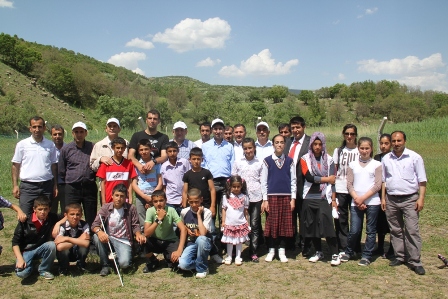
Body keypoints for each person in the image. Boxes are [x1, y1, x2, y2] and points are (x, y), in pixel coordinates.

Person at [382, 131, 427, 275]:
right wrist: (383, 198)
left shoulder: (415, 157)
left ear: (404, 141)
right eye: (393, 141)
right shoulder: (386, 158)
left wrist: (421, 198)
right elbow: (384, 180)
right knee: (395, 229)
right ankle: (400, 256)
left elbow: (422, 180)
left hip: (410, 199)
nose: (396, 144)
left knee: (412, 230)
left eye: (398, 141)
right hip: (391, 198)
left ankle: (415, 261)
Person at [340, 137, 382, 266]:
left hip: (372, 202)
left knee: (370, 230)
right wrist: (356, 199)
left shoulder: (377, 165)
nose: (364, 151)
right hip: (355, 201)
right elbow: (349, 184)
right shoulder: (352, 165)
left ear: (371, 149)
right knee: (355, 229)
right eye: (362, 148)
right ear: (358, 149)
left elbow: (377, 185)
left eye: (367, 148)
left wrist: (363, 198)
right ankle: (349, 251)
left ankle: (366, 255)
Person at [300, 132, 339, 266]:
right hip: (309, 196)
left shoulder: (330, 159)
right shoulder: (305, 159)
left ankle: (335, 253)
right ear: (311, 145)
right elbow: (308, 177)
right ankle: (318, 251)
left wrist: (333, 200)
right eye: (314, 144)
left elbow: (333, 181)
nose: (317, 147)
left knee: (327, 224)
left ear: (323, 145)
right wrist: (326, 179)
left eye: (320, 144)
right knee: (311, 226)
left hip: (324, 197)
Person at [91, 184, 146, 276]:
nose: (119, 198)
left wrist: (138, 234)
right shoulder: (106, 207)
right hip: (109, 238)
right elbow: (94, 225)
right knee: (96, 237)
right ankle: (105, 265)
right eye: (116, 195)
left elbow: (135, 225)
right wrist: (99, 232)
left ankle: (118, 258)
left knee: (124, 264)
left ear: (126, 198)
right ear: (112, 196)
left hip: (124, 240)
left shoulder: (131, 208)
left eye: (122, 196)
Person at [182, 147, 222, 264]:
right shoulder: (187, 175)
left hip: (206, 207)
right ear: (189, 159)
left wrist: (213, 206)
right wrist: (185, 205)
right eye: (194, 159)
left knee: (212, 231)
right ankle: (194, 250)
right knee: (194, 230)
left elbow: (212, 189)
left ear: (202, 159)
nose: (196, 161)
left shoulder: (206, 173)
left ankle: (214, 253)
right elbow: (185, 191)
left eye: (198, 159)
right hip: (192, 207)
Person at [11, 116, 58, 215]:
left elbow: (54, 166)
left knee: (46, 216)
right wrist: (15, 185)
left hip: (46, 186)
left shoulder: (50, 145)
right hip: (28, 187)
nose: (37, 129)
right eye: (34, 127)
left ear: (44, 128)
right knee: (25, 215)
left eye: (40, 127)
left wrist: (55, 185)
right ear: (30, 128)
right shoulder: (22, 144)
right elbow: (16, 165)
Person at [261, 134, 296, 263]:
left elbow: (293, 181)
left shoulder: (290, 161)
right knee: (272, 223)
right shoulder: (267, 161)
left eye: (281, 142)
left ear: (285, 144)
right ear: (273, 144)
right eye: (277, 142)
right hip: (272, 197)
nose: (279, 145)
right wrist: (265, 200)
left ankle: (282, 250)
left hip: (286, 196)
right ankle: (271, 249)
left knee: (284, 224)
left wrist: (293, 198)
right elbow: (264, 181)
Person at [59, 122, 97, 227]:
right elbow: (61, 170)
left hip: (89, 186)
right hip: (72, 187)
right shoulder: (66, 149)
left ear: (86, 133)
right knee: (72, 215)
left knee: (91, 215)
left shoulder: (93, 147)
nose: (79, 134)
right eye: (76, 132)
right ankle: (71, 237)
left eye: (81, 132)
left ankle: (90, 238)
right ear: (72, 133)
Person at [232, 137, 263, 263]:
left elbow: (263, 181)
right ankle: (235, 249)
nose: (248, 150)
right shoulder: (238, 162)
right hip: (241, 198)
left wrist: (265, 199)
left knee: (255, 225)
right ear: (242, 149)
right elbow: (233, 180)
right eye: (245, 148)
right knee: (238, 224)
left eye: (250, 147)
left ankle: (253, 251)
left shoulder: (260, 162)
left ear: (254, 148)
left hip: (256, 197)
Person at [12, 196, 58, 280]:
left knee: (51, 245)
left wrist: (58, 224)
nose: (43, 212)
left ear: (49, 209)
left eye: (45, 209)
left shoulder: (52, 218)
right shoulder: (25, 221)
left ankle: (44, 269)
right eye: (40, 209)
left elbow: (67, 215)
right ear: (34, 209)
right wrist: (20, 258)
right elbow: (15, 242)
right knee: (22, 274)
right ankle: (32, 264)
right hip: (26, 250)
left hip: (41, 248)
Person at [283, 116, 311, 251]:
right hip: (289, 186)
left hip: (304, 185)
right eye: (293, 128)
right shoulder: (287, 142)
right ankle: (291, 241)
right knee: (290, 216)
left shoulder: (310, 142)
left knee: (304, 215)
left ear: (304, 127)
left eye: (298, 127)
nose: (295, 130)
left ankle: (305, 243)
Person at [202, 118, 234, 233]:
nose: (218, 131)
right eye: (215, 129)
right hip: (212, 182)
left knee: (224, 212)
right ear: (212, 130)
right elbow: (203, 164)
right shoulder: (206, 146)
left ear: (224, 130)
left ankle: (224, 239)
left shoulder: (229, 146)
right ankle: (212, 239)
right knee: (211, 212)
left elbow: (232, 164)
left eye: (220, 128)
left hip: (226, 181)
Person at [143, 190, 187, 272]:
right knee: (142, 241)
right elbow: (146, 233)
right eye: (155, 201)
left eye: (161, 200)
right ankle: (153, 260)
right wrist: (159, 219)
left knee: (178, 264)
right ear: (152, 202)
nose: (159, 204)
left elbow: (183, 229)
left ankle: (168, 258)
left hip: (170, 240)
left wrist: (179, 250)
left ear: (166, 200)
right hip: (155, 241)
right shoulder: (150, 211)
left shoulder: (171, 210)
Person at [333, 124, 360, 256]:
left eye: (352, 134)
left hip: (356, 190)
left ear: (356, 135)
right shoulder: (338, 151)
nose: (349, 136)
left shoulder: (360, 151)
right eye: (347, 134)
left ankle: (354, 247)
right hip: (340, 188)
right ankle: (343, 247)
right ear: (343, 134)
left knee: (356, 220)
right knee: (341, 219)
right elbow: (335, 170)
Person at [90, 118, 129, 204]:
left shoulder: (126, 143)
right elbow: (92, 166)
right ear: (106, 129)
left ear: (119, 129)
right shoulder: (99, 145)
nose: (112, 128)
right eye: (110, 126)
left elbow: (129, 162)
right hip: (106, 188)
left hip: (123, 188)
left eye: (115, 126)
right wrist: (100, 159)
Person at [178, 188, 214, 278]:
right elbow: (181, 225)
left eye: (196, 202)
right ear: (187, 200)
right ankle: (199, 262)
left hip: (204, 242)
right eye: (191, 202)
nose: (194, 205)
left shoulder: (207, 212)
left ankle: (202, 268)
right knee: (183, 265)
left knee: (201, 239)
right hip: (191, 242)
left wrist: (198, 215)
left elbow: (203, 233)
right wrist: (186, 228)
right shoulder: (184, 212)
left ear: (201, 199)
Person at [131, 139, 162, 228]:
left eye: (146, 149)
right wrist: (144, 196)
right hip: (141, 195)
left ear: (151, 149)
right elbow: (134, 183)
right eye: (141, 150)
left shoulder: (156, 164)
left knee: (156, 217)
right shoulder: (136, 165)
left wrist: (152, 197)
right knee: (142, 219)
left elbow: (160, 182)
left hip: (155, 195)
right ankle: (144, 237)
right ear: (138, 151)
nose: (144, 152)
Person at [96, 137, 137, 205]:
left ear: (124, 149)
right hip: (109, 200)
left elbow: (130, 183)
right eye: (117, 148)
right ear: (113, 148)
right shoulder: (105, 164)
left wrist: (130, 199)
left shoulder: (129, 164)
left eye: (122, 148)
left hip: (124, 199)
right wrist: (103, 201)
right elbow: (102, 183)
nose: (120, 150)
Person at [52, 203, 90, 275]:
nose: (75, 217)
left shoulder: (85, 225)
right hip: (66, 253)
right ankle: (64, 267)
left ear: (81, 215)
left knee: (83, 247)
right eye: (72, 214)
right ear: (66, 215)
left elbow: (86, 243)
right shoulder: (62, 227)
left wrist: (66, 238)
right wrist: (79, 239)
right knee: (64, 249)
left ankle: (80, 265)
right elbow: (60, 247)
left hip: (77, 251)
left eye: (78, 214)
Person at [128, 109, 169, 175]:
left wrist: (154, 162)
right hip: (140, 172)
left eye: (155, 119)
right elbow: (130, 155)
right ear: (146, 120)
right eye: (150, 118)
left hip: (156, 173)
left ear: (158, 121)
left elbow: (164, 156)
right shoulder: (137, 136)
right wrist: (139, 165)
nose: (152, 121)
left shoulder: (163, 137)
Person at [221, 176, 250, 266]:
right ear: (230, 186)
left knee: (239, 241)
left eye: (238, 186)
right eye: (234, 186)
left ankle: (238, 257)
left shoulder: (244, 197)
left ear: (241, 186)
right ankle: (229, 256)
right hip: (229, 224)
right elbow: (224, 210)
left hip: (240, 223)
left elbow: (245, 211)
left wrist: (247, 221)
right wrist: (223, 221)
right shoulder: (226, 197)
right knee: (229, 241)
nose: (236, 189)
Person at [373, 133, 394, 258]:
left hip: (390, 194)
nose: (383, 146)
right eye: (381, 143)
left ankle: (392, 248)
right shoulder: (377, 157)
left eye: (386, 143)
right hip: (378, 193)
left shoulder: (393, 157)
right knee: (379, 223)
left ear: (390, 144)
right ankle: (380, 247)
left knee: (391, 222)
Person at [160, 141, 191, 215]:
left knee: (184, 221)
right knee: (172, 223)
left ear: (178, 151)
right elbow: (164, 186)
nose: (172, 153)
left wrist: (186, 197)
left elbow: (190, 180)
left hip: (183, 199)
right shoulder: (164, 166)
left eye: (174, 151)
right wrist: (165, 199)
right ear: (167, 152)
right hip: (170, 200)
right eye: (170, 151)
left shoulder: (184, 162)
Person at [50, 124, 66, 214]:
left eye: (60, 134)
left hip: (65, 184)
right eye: (55, 134)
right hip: (51, 184)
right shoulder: (48, 148)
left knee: (65, 209)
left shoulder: (68, 148)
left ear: (63, 135)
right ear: (51, 135)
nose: (57, 136)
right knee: (52, 210)